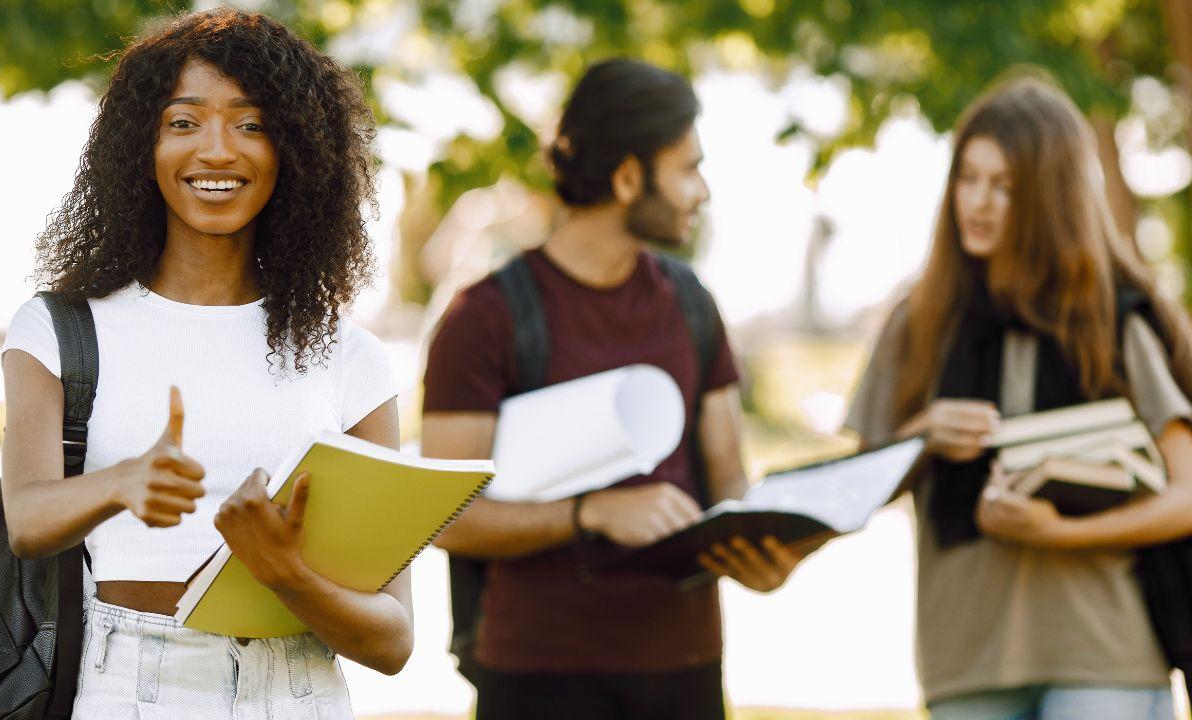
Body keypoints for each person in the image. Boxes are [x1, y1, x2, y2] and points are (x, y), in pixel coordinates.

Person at [0, 9, 410, 718]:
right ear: (140, 146)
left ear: (296, 151)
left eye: (250, 124)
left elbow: (396, 640)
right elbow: (27, 519)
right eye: (183, 122)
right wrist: (121, 482)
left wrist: (285, 574)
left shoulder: (351, 358)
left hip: (299, 689)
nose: (217, 151)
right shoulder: (62, 330)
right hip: (125, 686)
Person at [421, 58, 803, 720]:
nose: (703, 191)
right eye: (688, 167)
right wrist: (590, 512)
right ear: (628, 177)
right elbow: (444, 518)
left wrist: (765, 545)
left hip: (684, 673)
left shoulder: (692, 303)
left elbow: (728, 483)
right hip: (537, 678)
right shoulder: (485, 317)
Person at [844, 76, 1192, 720]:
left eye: (1005, 186)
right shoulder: (915, 321)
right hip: (965, 659)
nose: (978, 203)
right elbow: (857, 487)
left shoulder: (1119, 318)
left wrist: (1060, 534)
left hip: (1104, 656)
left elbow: (1186, 498)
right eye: (968, 178)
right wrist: (920, 434)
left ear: (1050, 196)